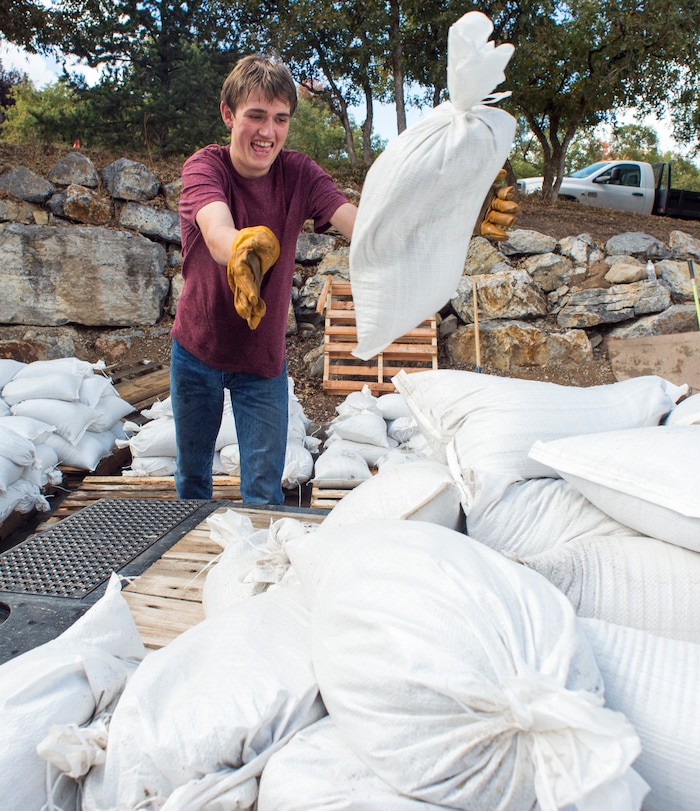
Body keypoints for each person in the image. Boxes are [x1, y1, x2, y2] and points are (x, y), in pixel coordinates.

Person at [171, 54, 357, 505]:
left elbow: (361, 226)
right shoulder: (205, 167)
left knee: (263, 490)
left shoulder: (300, 174)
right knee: (193, 478)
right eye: (255, 116)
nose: (267, 132)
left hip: (263, 360)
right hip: (199, 349)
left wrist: (439, 221)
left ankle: (256, 571)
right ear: (228, 114)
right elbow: (216, 230)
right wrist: (241, 248)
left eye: (280, 119)